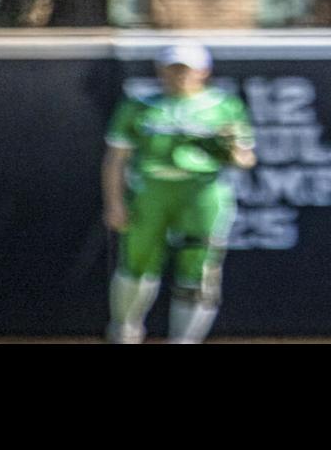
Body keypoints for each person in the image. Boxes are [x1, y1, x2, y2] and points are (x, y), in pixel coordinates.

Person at [101, 43, 255, 344]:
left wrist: (232, 149)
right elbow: (115, 158)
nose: (179, 75)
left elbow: (245, 158)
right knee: (136, 266)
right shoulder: (140, 105)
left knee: (198, 269)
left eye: (186, 68)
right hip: (150, 194)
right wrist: (114, 202)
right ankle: (124, 332)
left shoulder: (223, 105)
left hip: (201, 195)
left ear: (203, 71)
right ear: (160, 70)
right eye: (173, 68)